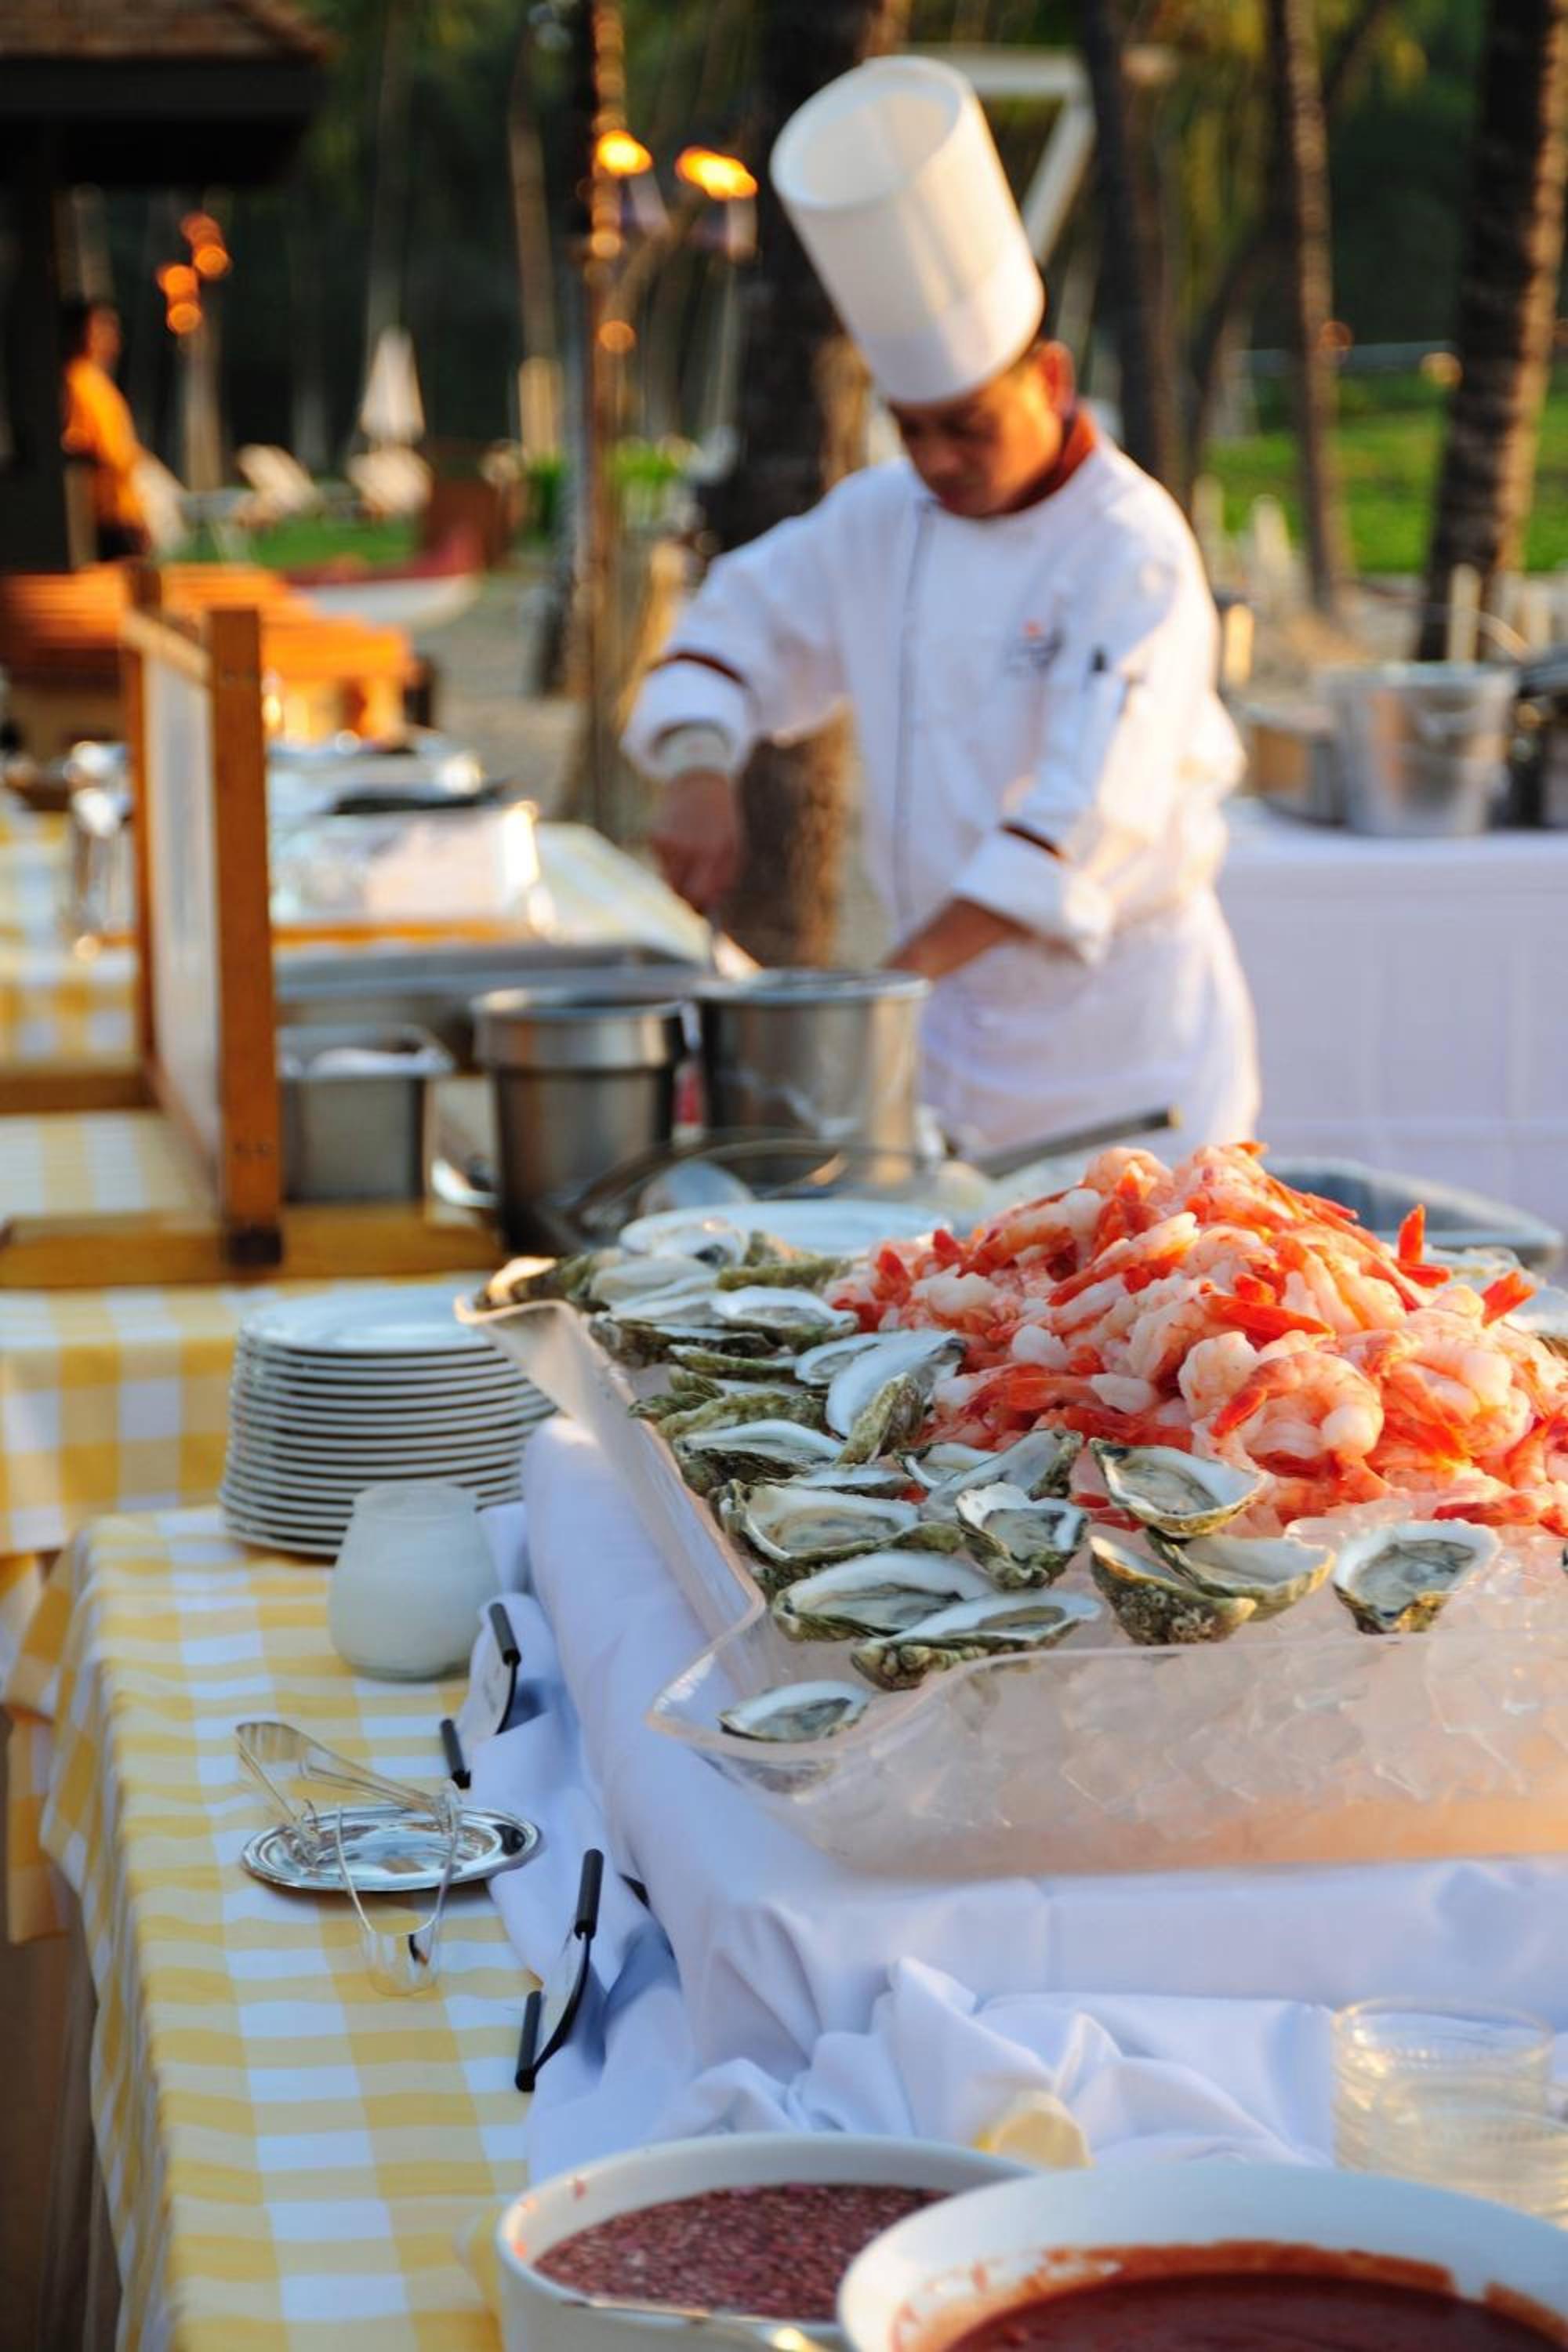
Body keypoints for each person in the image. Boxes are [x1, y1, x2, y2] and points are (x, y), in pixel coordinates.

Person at [623, 56, 1259, 1159]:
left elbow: (1083, 820)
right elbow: (738, 627)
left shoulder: (1132, 550)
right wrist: (695, 768)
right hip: (954, 1040)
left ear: (1049, 382)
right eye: (912, 426)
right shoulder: (881, 517)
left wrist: (876, 994)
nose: (935, 458)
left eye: (966, 424)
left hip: (1126, 1054)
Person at [60, 298, 151, 561]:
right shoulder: (77, 381)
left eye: (111, 328)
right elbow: (78, 441)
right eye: (100, 328)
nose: (110, 336)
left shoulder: (97, 381)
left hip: (125, 503)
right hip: (109, 509)